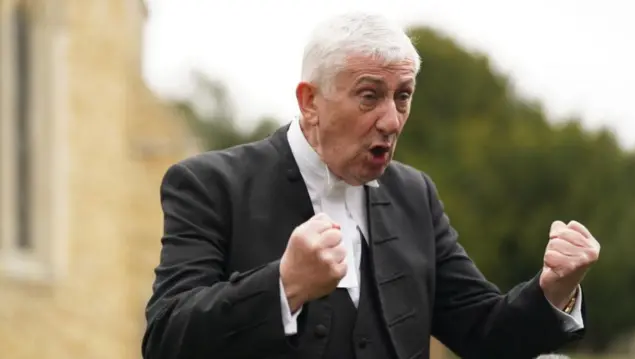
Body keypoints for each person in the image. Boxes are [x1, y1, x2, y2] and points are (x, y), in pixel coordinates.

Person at [142, 12, 600, 359]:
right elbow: (165, 338)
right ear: (309, 101)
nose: (391, 120)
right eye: (369, 95)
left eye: (403, 96)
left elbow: (485, 333)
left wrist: (554, 290)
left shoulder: (414, 195)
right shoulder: (210, 185)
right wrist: (284, 285)